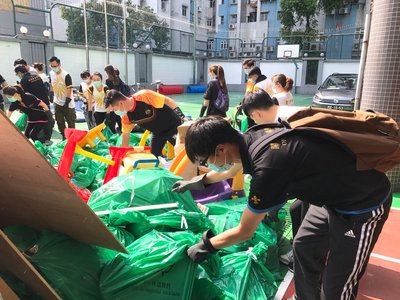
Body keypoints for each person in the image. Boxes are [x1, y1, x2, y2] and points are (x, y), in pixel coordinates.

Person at [182, 90, 392, 300]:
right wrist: (199, 182)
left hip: (361, 203)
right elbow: (231, 170)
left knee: (337, 285)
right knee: (304, 246)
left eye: (205, 159)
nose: (206, 166)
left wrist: (206, 245)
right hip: (329, 198)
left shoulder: (268, 168)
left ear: (220, 149)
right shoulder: (254, 135)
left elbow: (244, 231)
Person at [105, 89, 184, 157]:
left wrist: (181, 116)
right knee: (153, 157)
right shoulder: (125, 117)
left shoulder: (144, 96)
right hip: (158, 133)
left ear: (121, 103)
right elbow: (125, 136)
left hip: (174, 127)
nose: (115, 112)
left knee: (183, 153)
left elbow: (168, 101)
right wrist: (122, 155)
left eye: (114, 110)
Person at [49, 56, 75, 140]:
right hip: (57, 102)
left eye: (55, 66)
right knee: (59, 122)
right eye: (51, 66)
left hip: (68, 103)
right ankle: (64, 137)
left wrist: (67, 101)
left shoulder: (66, 75)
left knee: (70, 122)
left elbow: (69, 88)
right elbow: (51, 83)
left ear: (59, 65)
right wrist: (51, 93)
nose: (53, 68)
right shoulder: (51, 73)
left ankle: (71, 139)